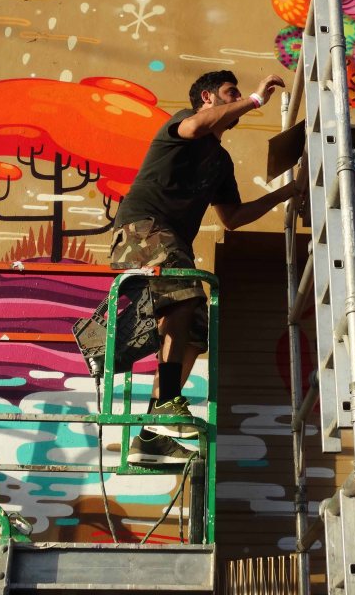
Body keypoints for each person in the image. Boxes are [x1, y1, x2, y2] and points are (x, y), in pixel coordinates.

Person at [110, 69, 303, 466]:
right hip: (142, 229)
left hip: (170, 241)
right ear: (209, 99)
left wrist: (286, 192)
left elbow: (232, 216)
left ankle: (150, 436)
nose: (237, 99)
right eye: (229, 93)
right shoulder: (182, 123)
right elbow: (197, 126)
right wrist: (254, 100)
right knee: (183, 298)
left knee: (196, 329)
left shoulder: (220, 161)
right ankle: (165, 404)